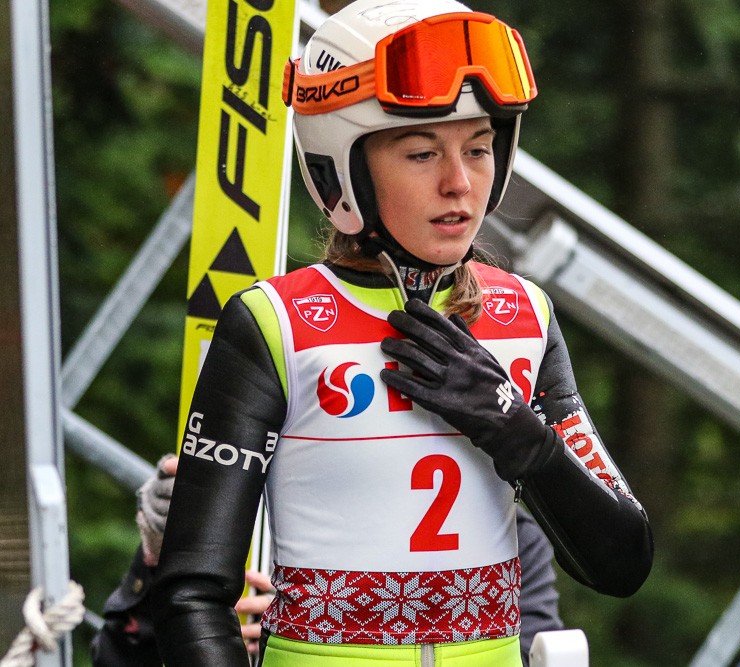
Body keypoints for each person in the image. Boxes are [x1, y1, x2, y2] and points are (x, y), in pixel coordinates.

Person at [151, 1, 654, 664]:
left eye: (479, 148)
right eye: (421, 153)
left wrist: (517, 433)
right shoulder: (274, 324)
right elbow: (191, 595)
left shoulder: (525, 314)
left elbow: (623, 562)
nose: (459, 184)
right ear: (342, 169)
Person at [91, 456, 563, 665]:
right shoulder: (249, 511)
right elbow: (116, 659)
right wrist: (164, 560)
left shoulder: (506, 535)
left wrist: (328, 623)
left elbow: (535, 657)